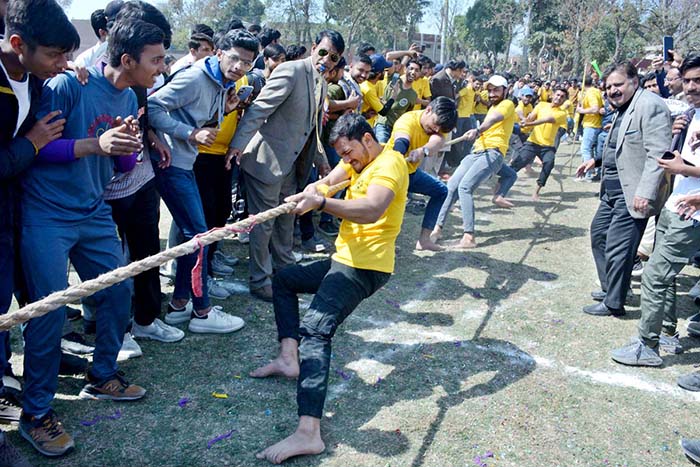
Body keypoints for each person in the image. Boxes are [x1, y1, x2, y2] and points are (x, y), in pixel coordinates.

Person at [19, 16, 174, 456]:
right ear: (127, 59)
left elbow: (120, 164)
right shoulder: (69, 86)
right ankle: (36, 413)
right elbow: (37, 147)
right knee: (48, 313)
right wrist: (97, 144)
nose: (162, 67)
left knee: (117, 292)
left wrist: (127, 148)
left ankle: (102, 375)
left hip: (93, 211)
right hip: (46, 215)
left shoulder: (130, 94)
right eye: (156, 59)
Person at [251, 113, 408, 464]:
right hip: (344, 258)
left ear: (368, 139)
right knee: (285, 281)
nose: (347, 161)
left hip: (364, 268)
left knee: (317, 332)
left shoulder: (389, 165)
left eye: (350, 153)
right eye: (343, 155)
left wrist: (321, 203)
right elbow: (330, 180)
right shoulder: (358, 160)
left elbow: (370, 210)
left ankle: (308, 433)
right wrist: (313, 190)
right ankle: (288, 359)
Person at [0, 0, 80, 461]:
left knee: (41, 306)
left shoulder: (34, 77)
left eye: (67, 55)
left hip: (18, 214)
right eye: (55, 55)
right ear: (17, 44)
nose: (63, 64)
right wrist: (30, 144)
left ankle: (34, 402)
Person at [148, 29, 257, 331]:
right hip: (170, 164)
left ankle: (179, 305)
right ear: (219, 53)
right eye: (234, 58)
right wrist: (190, 134)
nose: (239, 66)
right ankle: (202, 311)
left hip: (184, 163)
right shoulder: (195, 77)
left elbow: (203, 116)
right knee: (199, 235)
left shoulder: (224, 82)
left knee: (192, 235)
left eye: (246, 63)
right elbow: (153, 106)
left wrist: (227, 107)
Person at [228, 30, 345, 302]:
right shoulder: (290, 71)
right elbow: (259, 110)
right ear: (314, 47)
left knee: (285, 219)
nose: (326, 60)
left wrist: (322, 160)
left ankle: (285, 271)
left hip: (291, 166)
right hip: (264, 162)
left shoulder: (322, 83)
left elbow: (311, 128)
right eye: (324, 52)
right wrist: (237, 145)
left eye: (334, 58)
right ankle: (260, 281)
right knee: (263, 225)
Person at [609, 53, 700, 366]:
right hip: (676, 206)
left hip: (692, 214)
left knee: (654, 277)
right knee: (665, 275)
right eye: (687, 80)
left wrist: (684, 170)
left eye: (697, 80)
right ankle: (667, 333)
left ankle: (647, 346)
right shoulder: (692, 114)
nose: (690, 86)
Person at [576, 61, 670, 320]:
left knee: (619, 247)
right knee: (599, 234)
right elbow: (623, 147)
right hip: (611, 191)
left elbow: (657, 155)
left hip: (633, 193)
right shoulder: (622, 107)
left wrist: (646, 192)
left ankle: (614, 303)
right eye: (608, 87)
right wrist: (594, 161)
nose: (612, 91)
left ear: (634, 81)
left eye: (618, 84)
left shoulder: (650, 106)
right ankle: (612, 288)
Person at [432, 75, 516, 248]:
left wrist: (477, 130)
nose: (492, 94)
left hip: (493, 152)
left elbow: (493, 120)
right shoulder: (490, 107)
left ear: (505, 91)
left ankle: (469, 237)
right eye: (490, 90)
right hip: (477, 151)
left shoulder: (507, 104)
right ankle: (437, 228)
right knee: (452, 185)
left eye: (496, 90)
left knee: (465, 187)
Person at [387, 96, 456, 251]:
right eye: (436, 124)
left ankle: (424, 241)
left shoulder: (437, 127)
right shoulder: (407, 120)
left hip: (410, 174)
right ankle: (382, 244)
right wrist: (401, 153)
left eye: (441, 128)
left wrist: (422, 150)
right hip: (391, 173)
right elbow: (401, 140)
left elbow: (437, 141)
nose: (437, 129)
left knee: (441, 191)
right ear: (428, 110)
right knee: (388, 210)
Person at [509, 87, 569, 200]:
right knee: (518, 162)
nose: (559, 98)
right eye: (557, 95)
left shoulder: (562, 113)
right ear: (553, 95)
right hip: (533, 142)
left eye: (562, 97)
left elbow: (546, 120)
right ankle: (500, 183)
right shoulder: (541, 105)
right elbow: (531, 118)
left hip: (548, 146)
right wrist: (524, 120)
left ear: (564, 100)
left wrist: (528, 124)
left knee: (549, 163)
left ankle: (537, 190)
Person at [576, 76, 604, 181]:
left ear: (581, 84)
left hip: (592, 124)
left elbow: (595, 109)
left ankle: (586, 174)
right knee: (593, 150)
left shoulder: (592, 92)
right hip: (594, 124)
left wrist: (581, 110)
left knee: (585, 149)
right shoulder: (596, 91)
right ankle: (594, 172)